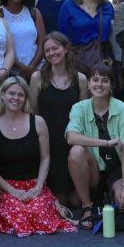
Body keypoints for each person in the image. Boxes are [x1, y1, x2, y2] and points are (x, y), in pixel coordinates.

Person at [0, 74, 76, 235]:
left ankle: (50, 204)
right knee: (19, 214)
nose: (16, 98)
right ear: (2, 95)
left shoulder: (37, 122)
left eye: (20, 94)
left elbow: (45, 158)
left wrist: (38, 187)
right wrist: (11, 190)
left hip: (33, 185)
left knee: (38, 211)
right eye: (11, 93)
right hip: (6, 187)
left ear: (25, 98)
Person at [66, 62, 124, 229]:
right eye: (95, 79)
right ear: (88, 84)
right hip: (93, 168)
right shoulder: (79, 108)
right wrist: (106, 142)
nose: (99, 84)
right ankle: (88, 206)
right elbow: (71, 137)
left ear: (112, 85)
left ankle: (111, 198)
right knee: (76, 151)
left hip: (118, 168)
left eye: (105, 80)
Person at [28, 32, 88, 210]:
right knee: (60, 202)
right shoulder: (37, 78)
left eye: (55, 48)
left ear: (66, 49)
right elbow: (33, 111)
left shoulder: (81, 79)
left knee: (76, 202)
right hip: (49, 140)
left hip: (71, 138)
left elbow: (83, 113)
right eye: (47, 50)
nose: (51, 53)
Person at [59, 0, 117, 81]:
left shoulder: (106, 6)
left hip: (104, 61)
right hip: (78, 63)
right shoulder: (68, 6)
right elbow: (63, 38)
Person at [0, 0, 46, 77]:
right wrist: (22, 67)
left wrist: (31, 67)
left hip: (36, 71)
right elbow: (0, 46)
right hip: (11, 72)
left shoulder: (34, 12)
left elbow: (42, 43)